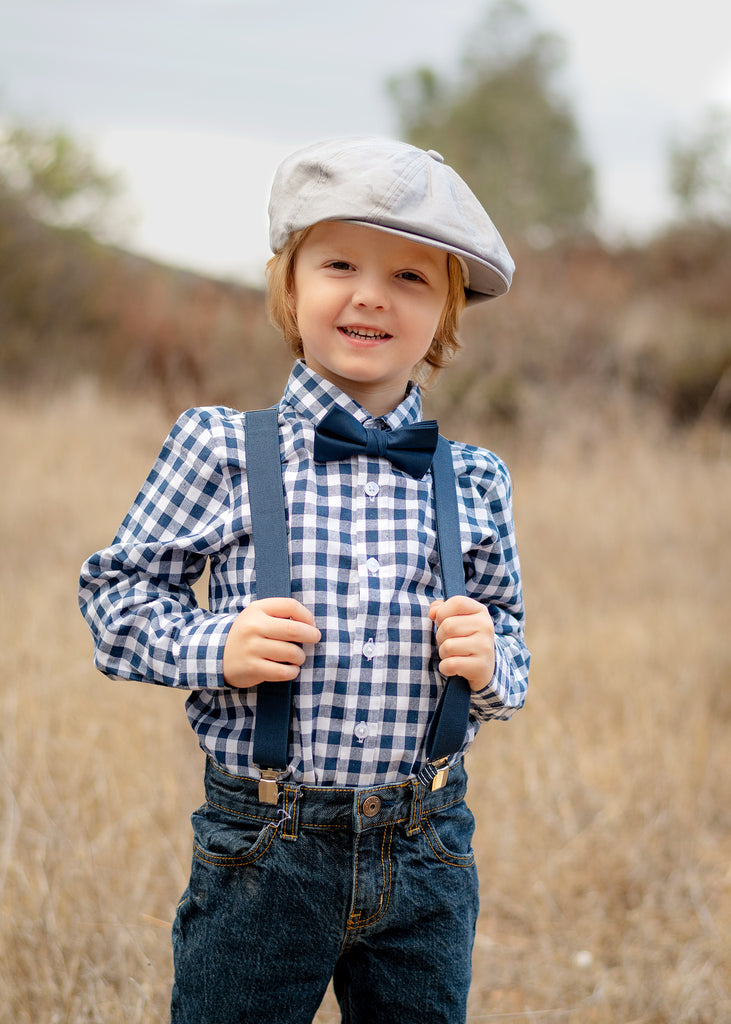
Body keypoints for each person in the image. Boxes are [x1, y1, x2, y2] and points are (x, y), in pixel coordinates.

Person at [78, 137, 530, 1024]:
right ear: (288, 287)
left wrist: (489, 663)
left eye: (410, 277)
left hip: (428, 843)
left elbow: (510, 644)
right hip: (264, 842)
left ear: (445, 314)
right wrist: (217, 644)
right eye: (339, 265)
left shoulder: (473, 478)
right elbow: (115, 598)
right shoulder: (220, 447)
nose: (370, 293)